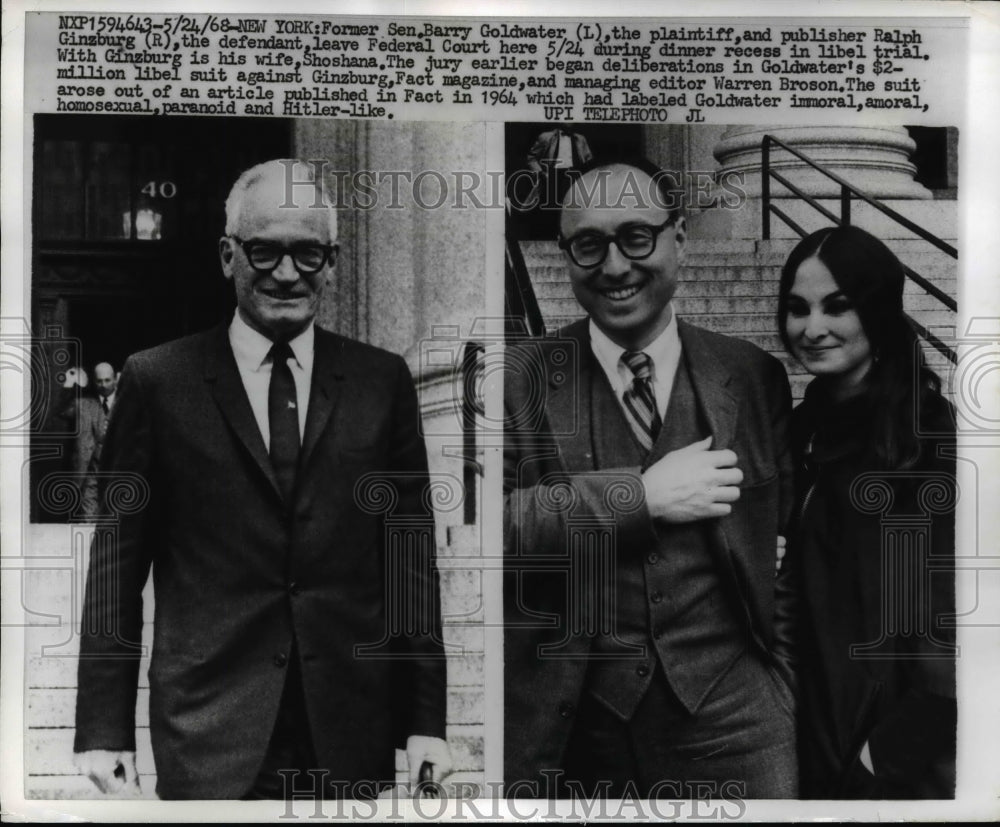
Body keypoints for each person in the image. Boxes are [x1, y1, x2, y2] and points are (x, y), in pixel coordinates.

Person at [73, 159, 450, 799]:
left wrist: (425, 724)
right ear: (228, 256)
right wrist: (104, 729)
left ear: (332, 263)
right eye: (264, 251)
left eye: (308, 254)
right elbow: (117, 565)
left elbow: (409, 561)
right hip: (209, 729)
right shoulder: (158, 381)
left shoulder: (381, 382)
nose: (287, 273)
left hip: (347, 729)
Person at [504, 157, 797, 799]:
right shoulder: (518, 380)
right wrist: (640, 497)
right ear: (566, 254)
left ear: (680, 237)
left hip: (740, 723)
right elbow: (486, 534)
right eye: (588, 245)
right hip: (580, 727)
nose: (614, 266)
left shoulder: (753, 376)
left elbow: (792, 549)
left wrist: (782, 688)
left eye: (637, 237)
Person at [778, 225, 956, 798]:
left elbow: (948, 621)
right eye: (798, 309)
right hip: (809, 728)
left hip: (888, 751)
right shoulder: (801, 430)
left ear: (875, 311)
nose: (812, 328)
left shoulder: (926, 437)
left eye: (837, 306)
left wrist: (883, 759)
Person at [59, 362, 117, 519]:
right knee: (88, 520)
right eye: (99, 381)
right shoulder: (83, 403)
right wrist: (69, 383)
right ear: (93, 381)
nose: (103, 385)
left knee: (115, 522)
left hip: (117, 474)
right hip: (90, 473)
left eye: (107, 380)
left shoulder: (127, 403)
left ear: (115, 380)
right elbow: (61, 411)